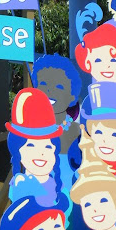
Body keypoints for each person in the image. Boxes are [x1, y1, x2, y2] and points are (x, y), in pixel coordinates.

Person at [6, 87, 65, 207]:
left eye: (48, 147)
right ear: (18, 151)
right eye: (31, 145)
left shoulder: (57, 184)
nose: (41, 153)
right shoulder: (21, 185)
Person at [32, 53, 82, 181]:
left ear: (72, 96)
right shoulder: (30, 131)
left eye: (59, 86)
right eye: (43, 83)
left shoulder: (79, 133)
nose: (49, 90)